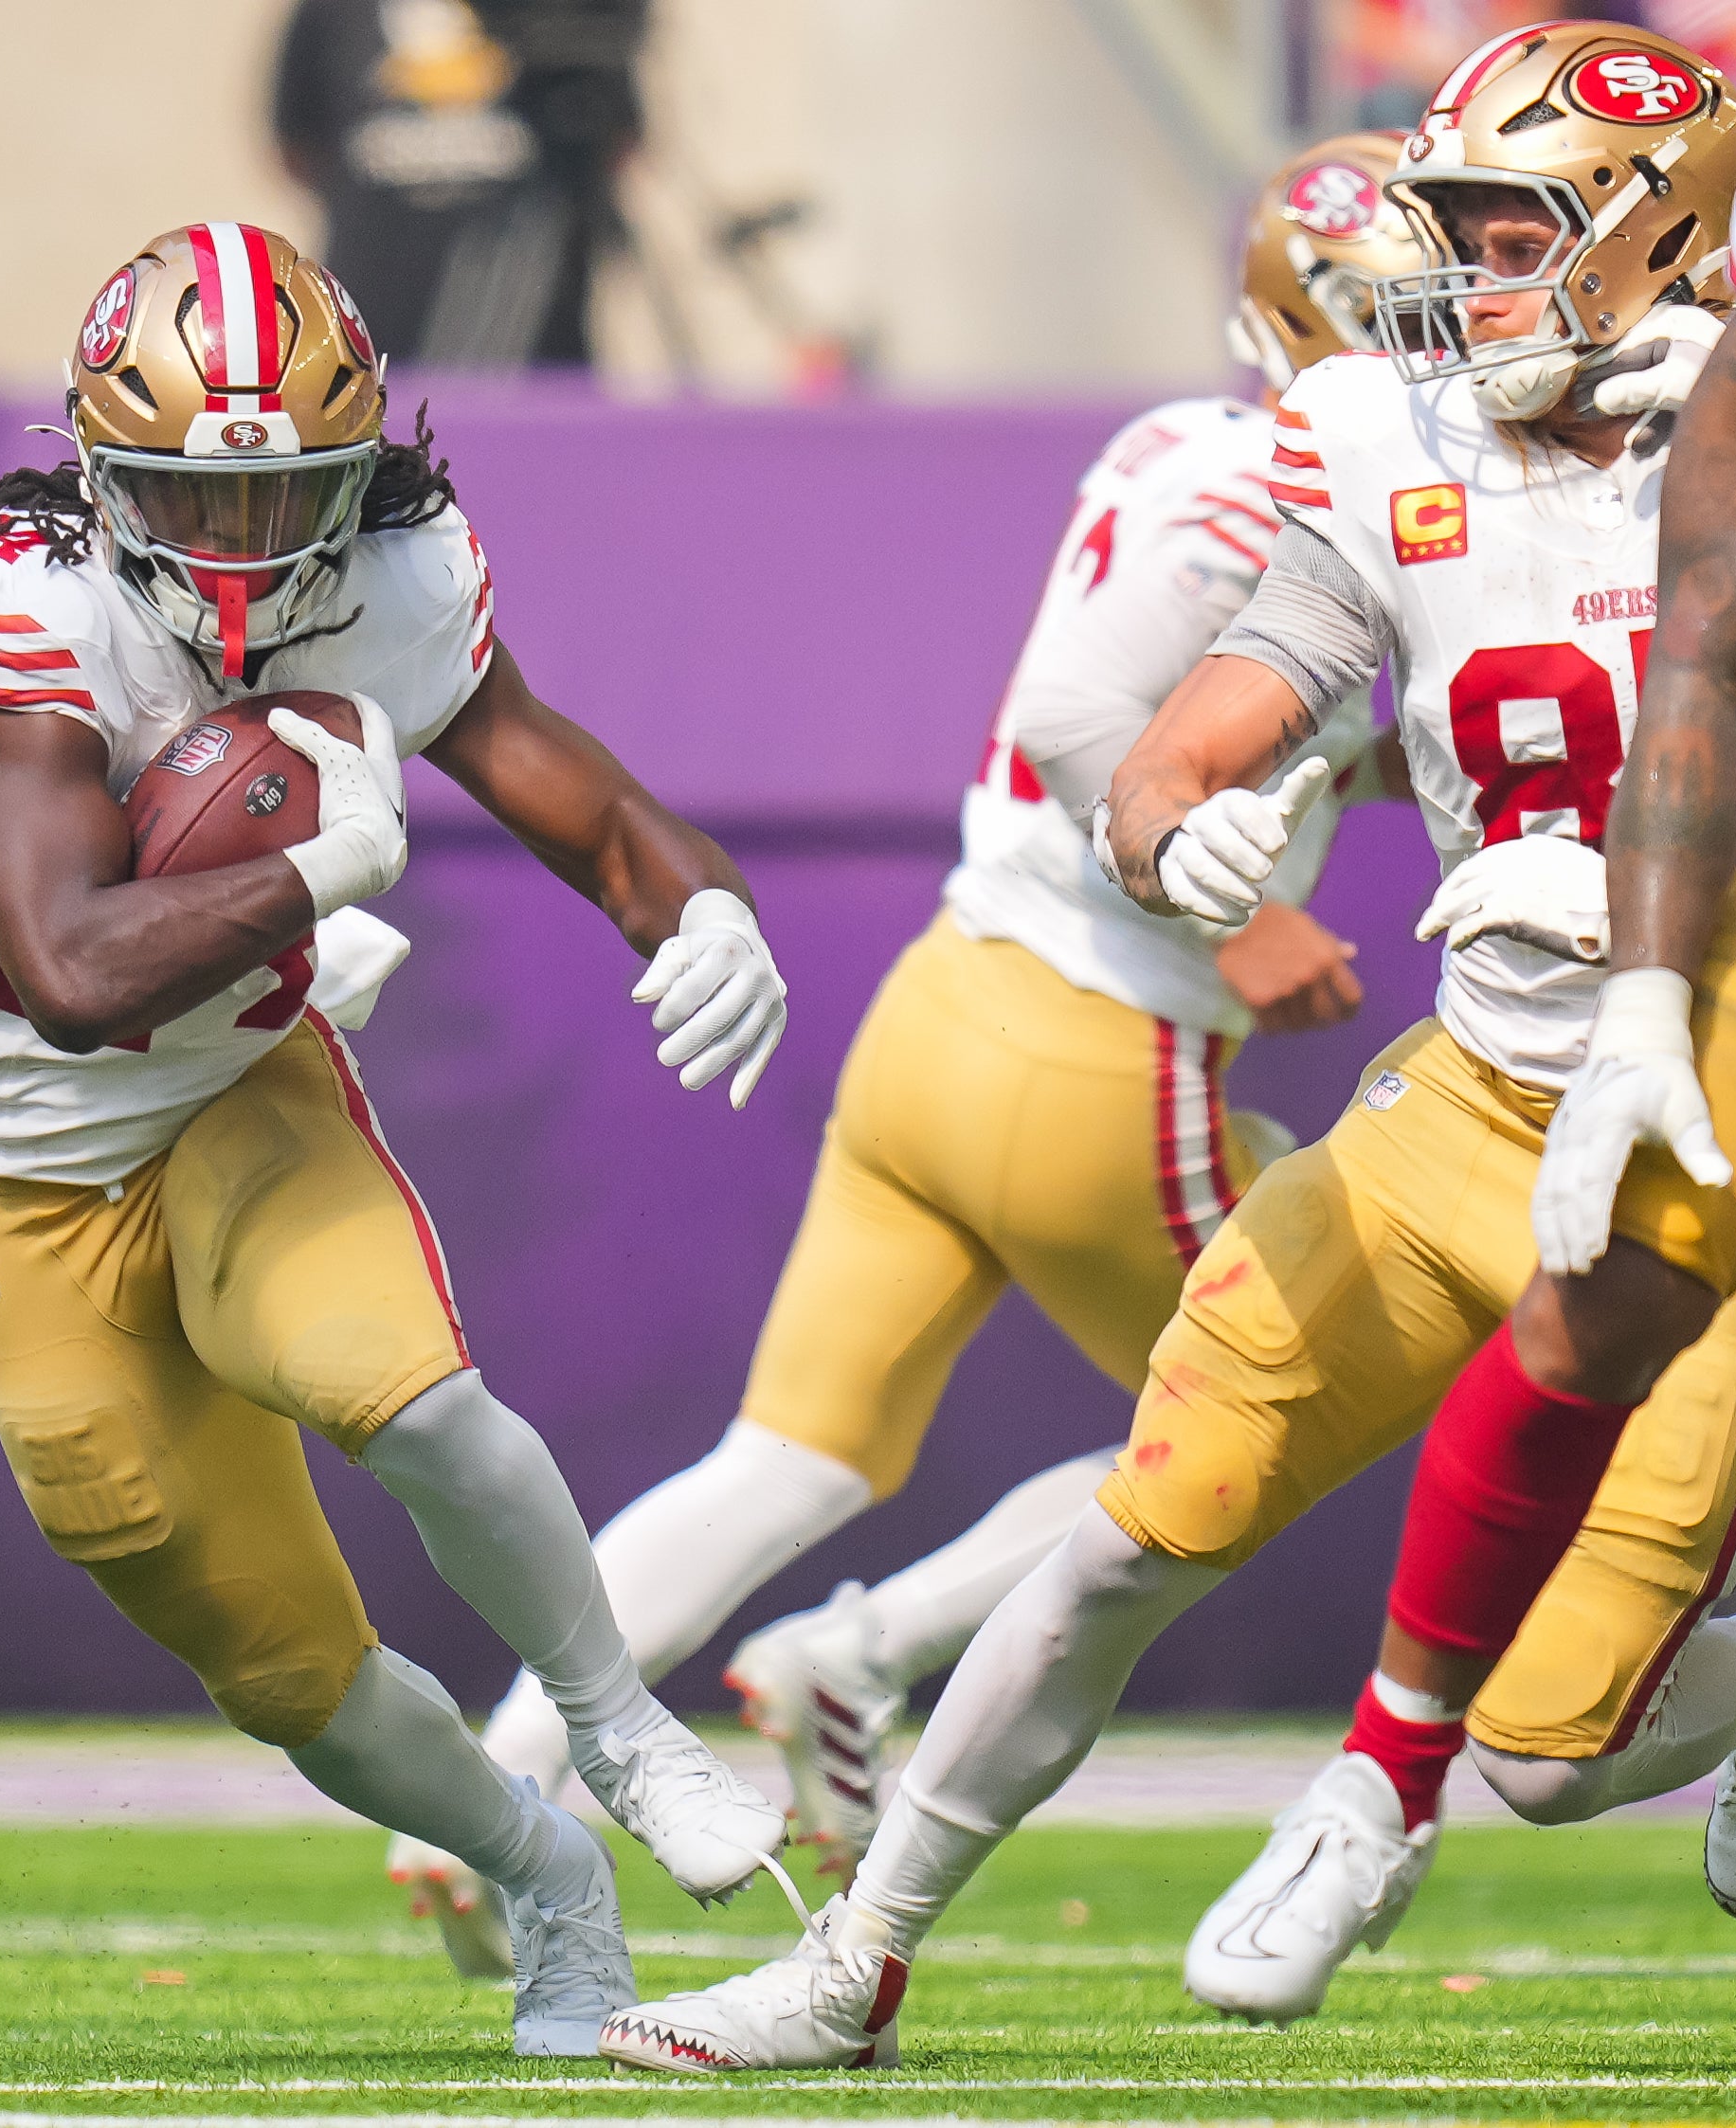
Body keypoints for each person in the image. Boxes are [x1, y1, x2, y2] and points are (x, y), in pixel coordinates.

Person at [590, 22, 1736, 2071]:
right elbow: (1182, 739)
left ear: (1669, 243)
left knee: (1545, 1748)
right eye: (1462, 229)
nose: (1465, 277)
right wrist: (1189, 833)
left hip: (1704, 1131)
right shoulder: (1380, 437)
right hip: (1467, 1094)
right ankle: (849, 1962)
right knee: (1127, 1533)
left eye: (1516, 232)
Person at [383, 133, 1421, 1977]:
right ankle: (864, 1654)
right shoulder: (1287, 481)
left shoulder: (1179, 445)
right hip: (1102, 1050)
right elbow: (1075, 714)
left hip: (949, 1007)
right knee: (1246, 1438)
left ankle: (504, 1780)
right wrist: (1223, 895)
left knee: (785, 1456)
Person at [0, 220, 788, 2055]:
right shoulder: (16, 607)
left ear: (353, 466)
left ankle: (616, 1723)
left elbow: (567, 785)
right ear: (91, 464)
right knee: (277, 1663)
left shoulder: (388, 566)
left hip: (235, 1094)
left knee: (409, 1393)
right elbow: (60, 966)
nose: (232, 552)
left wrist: (693, 905)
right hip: (12, 1156)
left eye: (279, 497)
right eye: (183, 503)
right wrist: (314, 872)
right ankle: (541, 1868)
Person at [1456, 113, 1736, 1930]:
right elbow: (1716, 651)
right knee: (1539, 1749)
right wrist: (1641, 990)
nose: (1468, 279)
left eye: (1513, 229)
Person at [271, 0, 642, 367]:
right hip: (372, 341)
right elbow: (297, 149)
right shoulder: (331, 12)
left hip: (537, 350)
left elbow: (619, 142)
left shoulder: (568, 17)